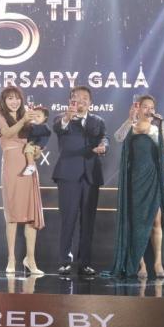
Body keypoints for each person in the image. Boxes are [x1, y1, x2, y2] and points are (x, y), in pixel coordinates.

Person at [108, 94, 164, 279]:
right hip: (135, 180)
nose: (149, 110)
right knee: (137, 223)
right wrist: (130, 119)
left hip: (152, 180)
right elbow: (118, 137)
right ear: (138, 108)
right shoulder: (131, 127)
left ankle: (158, 262)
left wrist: (162, 127)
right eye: (145, 106)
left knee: (156, 221)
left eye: (151, 107)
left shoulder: (155, 129)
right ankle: (140, 263)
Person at [0, 86, 46, 275]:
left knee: (31, 216)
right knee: (12, 215)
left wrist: (37, 151)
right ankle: (11, 258)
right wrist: (23, 120)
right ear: (3, 101)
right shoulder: (0, 118)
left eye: (17, 98)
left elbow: (36, 141)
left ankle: (31, 259)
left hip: (29, 167)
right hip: (12, 167)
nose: (14, 102)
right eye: (10, 98)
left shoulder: (29, 119)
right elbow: (7, 133)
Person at [52, 86, 107, 276]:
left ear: (90, 102)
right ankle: (64, 261)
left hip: (91, 176)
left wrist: (104, 146)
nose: (81, 100)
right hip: (68, 175)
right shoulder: (62, 119)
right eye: (77, 97)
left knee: (88, 220)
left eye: (85, 98)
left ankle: (85, 262)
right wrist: (68, 117)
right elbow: (58, 127)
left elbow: (104, 138)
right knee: (68, 218)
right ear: (70, 101)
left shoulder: (97, 121)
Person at [22, 106, 51, 176]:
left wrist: (39, 146)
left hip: (36, 145)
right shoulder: (33, 125)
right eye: (33, 116)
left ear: (45, 118)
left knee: (28, 149)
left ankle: (31, 165)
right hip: (33, 144)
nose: (35, 118)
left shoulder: (44, 127)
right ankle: (30, 165)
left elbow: (44, 136)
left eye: (38, 116)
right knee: (28, 150)